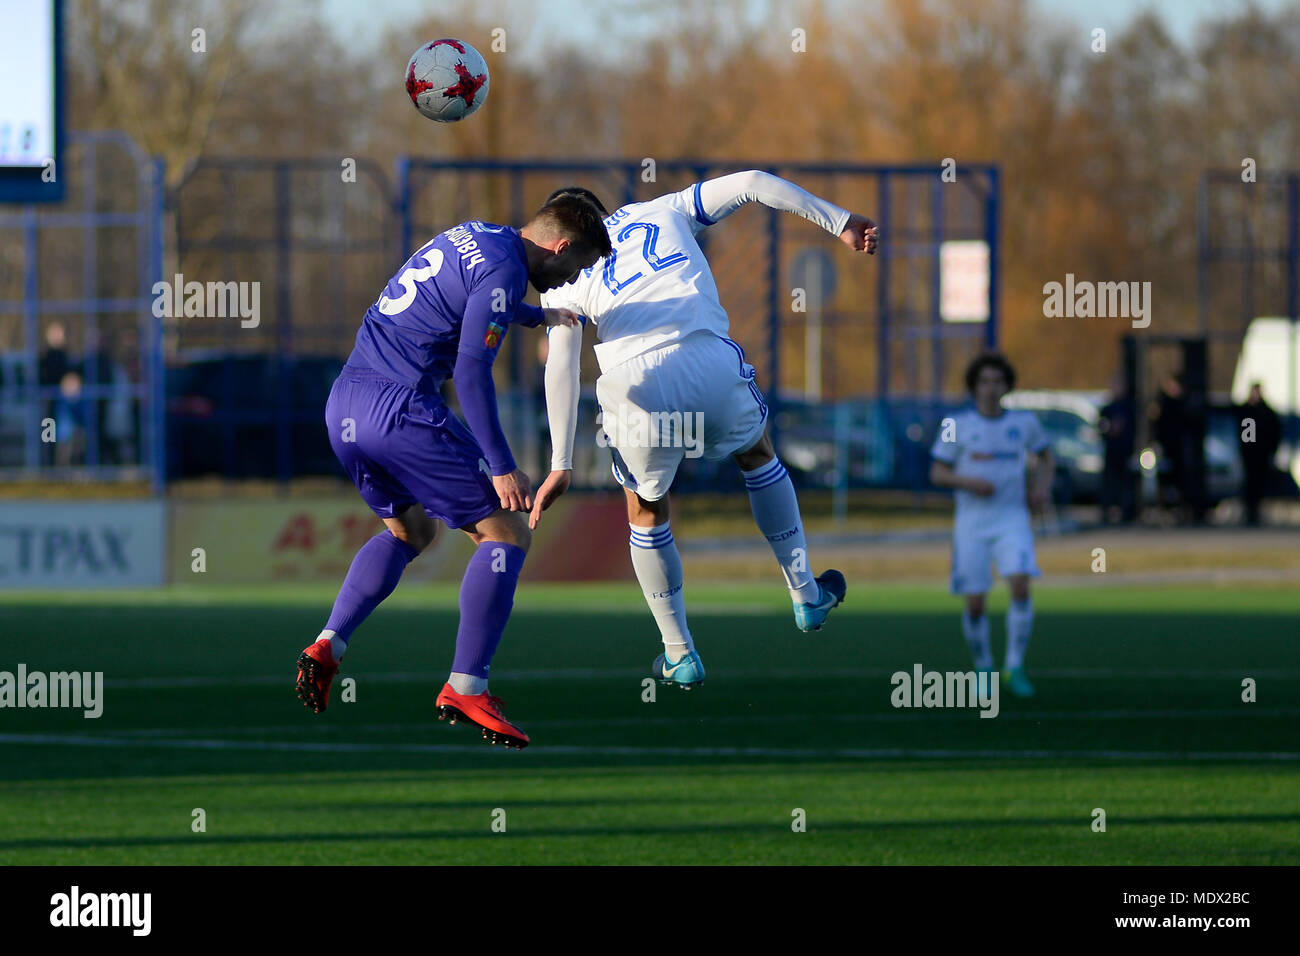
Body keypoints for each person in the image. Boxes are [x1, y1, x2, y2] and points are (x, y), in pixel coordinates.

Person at [529, 173, 878, 689]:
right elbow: (756, 181)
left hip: (635, 380)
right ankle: (806, 595)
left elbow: (559, 367)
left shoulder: (561, 271)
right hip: (705, 354)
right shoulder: (664, 208)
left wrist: (560, 462)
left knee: (646, 508)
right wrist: (839, 221)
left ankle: (679, 654)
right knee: (758, 456)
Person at [294, 197, 611, 750]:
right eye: (575, 268)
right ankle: (467, 685)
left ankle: (328, 643)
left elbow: (469, 300)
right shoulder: (508, 269)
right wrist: (503, 464)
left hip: (344, 403)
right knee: (508, 530)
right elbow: (470, 371)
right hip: (401, 410)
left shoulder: (476, 233)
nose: (570, 279)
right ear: (560, 247)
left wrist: (537, 315)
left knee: (411, 532)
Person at [928, 352, 1054, 698]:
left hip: (1012, 519)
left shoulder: (1024, 423)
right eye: (984, 381)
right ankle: (983, 667)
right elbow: (937, 472)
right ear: (974, 386)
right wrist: (970, 482)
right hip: (971, 525)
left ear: (1007, 386)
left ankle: (1014, 666)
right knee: (975, 604)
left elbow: (1046, 456)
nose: (990, 388)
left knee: (1020, 585)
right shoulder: (957, 425)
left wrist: (1041, 489)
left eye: (997, 381)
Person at [1237, 382, 1281, 526]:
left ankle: (1255, 510)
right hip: (1251, 454)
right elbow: (1246, 434)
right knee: (1251, 482)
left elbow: (1273, 432)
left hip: (1261, 454)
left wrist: (1270, 449)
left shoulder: (1266, 412)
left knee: (1259, 482)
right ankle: (1250, 510)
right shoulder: (1248, 412)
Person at [1098, 374, 1137, 524]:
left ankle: (1127, 513)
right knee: (1109, 483)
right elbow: (1101, 428)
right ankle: (1107, 512)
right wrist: (1109, 430)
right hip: (1111, 453)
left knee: (1126, 484)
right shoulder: (1107, 409)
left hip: (1126, 453)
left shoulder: (1130, 408)